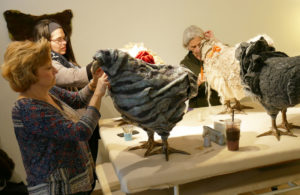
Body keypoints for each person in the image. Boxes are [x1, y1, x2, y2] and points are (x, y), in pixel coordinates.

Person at [1, 39, 109, 195]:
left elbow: (77, 99)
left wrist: (93, 84)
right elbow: (80, 131)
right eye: (48, 67)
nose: (56, 71)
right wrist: (98, 93)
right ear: (30, 75)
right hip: (56, 189)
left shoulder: (48, 91)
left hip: (71, 184)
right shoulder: (27, 109)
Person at [33, 19, 100, 164]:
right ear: (45, 42)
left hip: (85, 123)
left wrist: (95, 82)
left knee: (90, 170)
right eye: (59, 40)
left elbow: (77, 98)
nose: (64, 43)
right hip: (76, 127)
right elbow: (73, 78)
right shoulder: (49, 64)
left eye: (65, 38)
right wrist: (97, 68)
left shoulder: (65, 60)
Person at [180, 25, 221, 108]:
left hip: (220, 106)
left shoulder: (214, 54)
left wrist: (215, 41)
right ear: (187, 47)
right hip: (198, 109)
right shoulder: (185, 64)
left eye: (200, 44)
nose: (198, 49)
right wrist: (196, 83)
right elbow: (182, 94)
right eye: (193, 47)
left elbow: (231, 55)